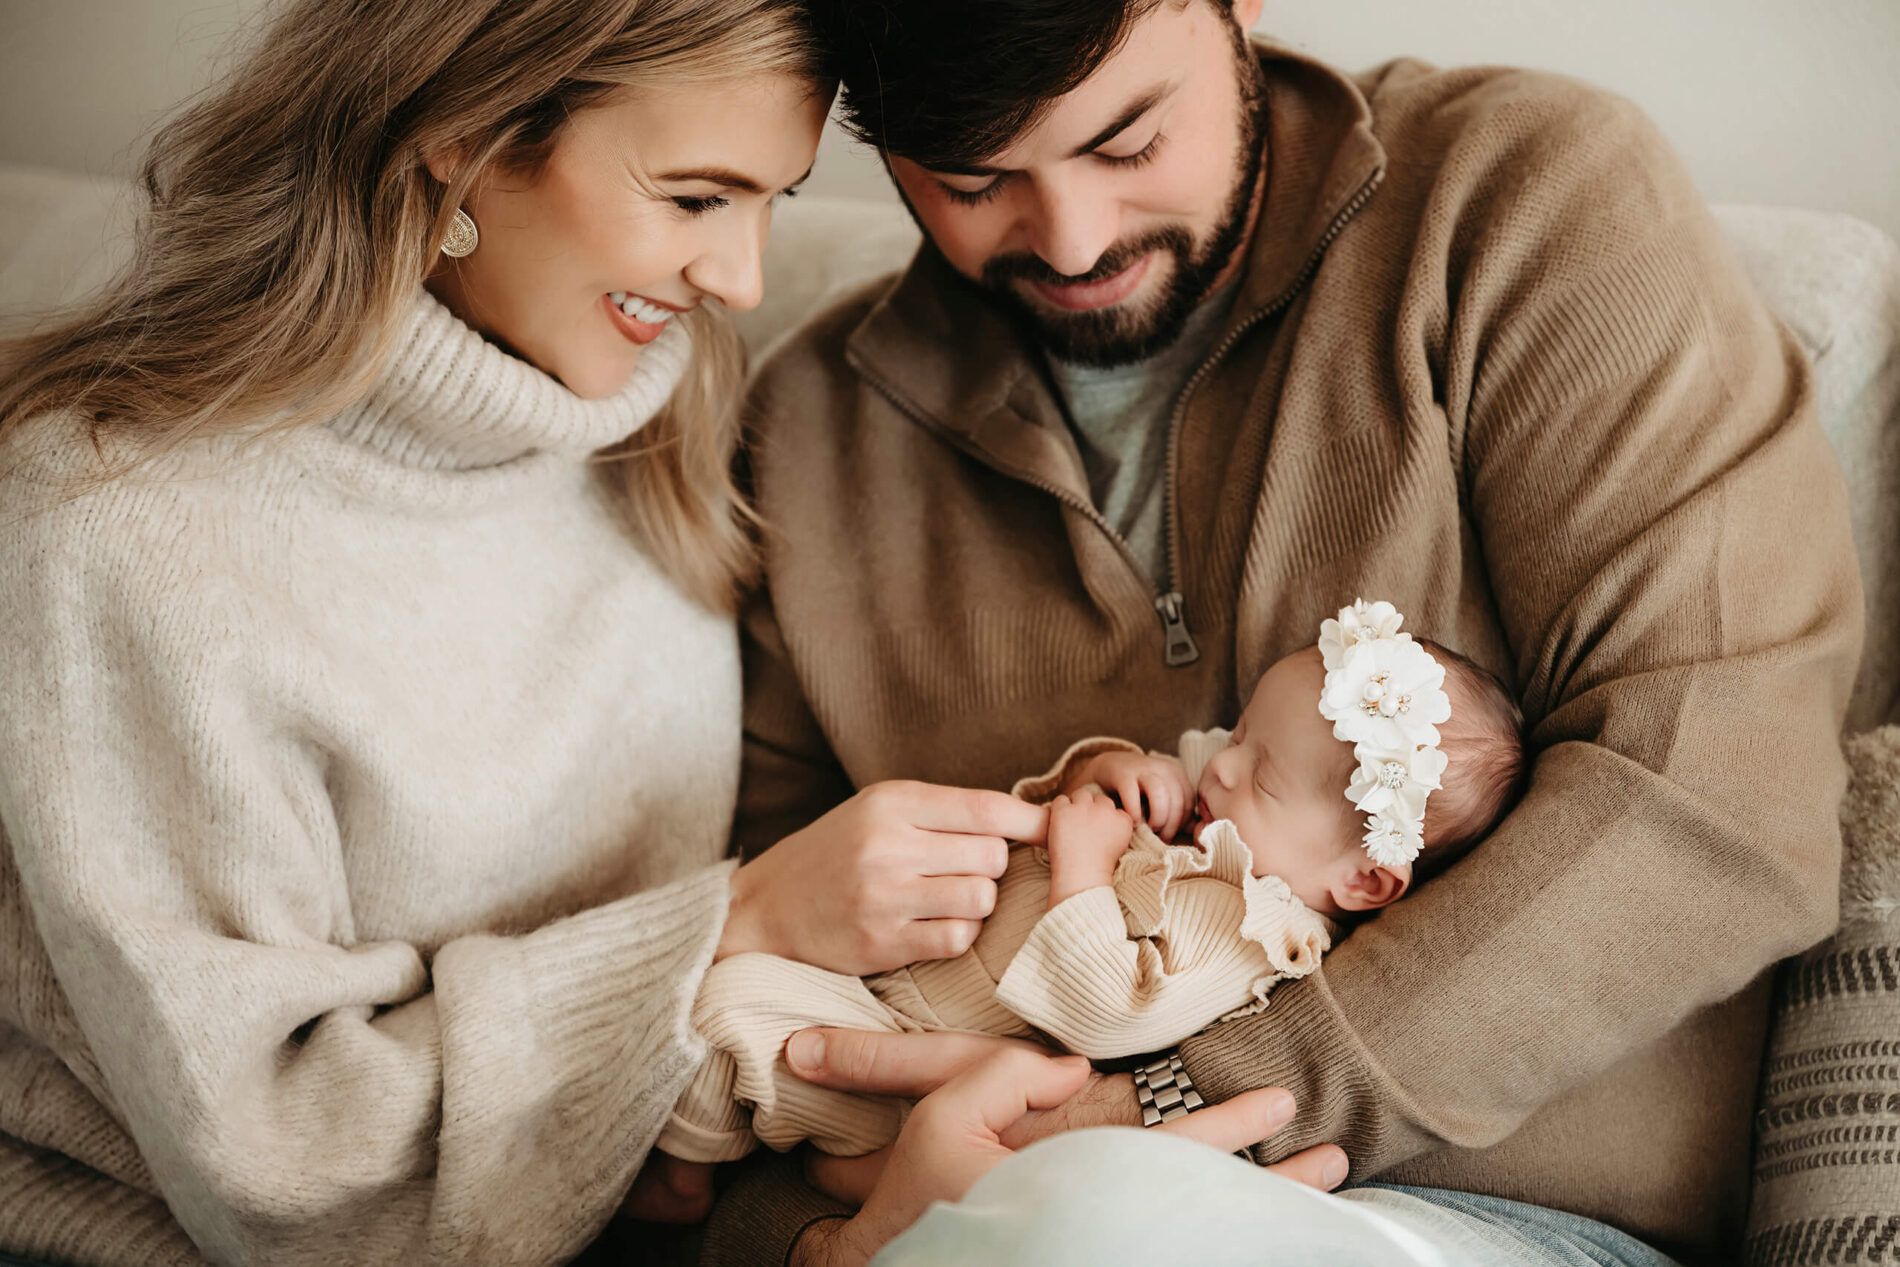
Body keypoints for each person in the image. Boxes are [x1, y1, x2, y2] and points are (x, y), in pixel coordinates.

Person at [5, 2, 1285, 1263]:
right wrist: (732, 924)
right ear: (462, 135)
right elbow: (270, 1169)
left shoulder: (665, 442)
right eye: (693, 200)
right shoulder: (115, 528)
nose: (741, 278)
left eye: (771, 200)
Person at [694, 0, 1866, 1262]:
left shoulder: (1520, 197)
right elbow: (754, 1051)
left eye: (1126, 140)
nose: (1072, 240)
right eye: (974, 179)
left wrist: (1145, 1113)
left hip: (1502, 1216)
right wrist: (825, 1242)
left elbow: (1722, 797)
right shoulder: (811, 431)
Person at [647, 603, 1525, 1195]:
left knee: (723, 1013)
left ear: (1362, 879)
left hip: (920, 1056)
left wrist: (1077, 867)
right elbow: (1084, 805)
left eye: (1263, 771)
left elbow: (1114, 1012)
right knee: (712, 967)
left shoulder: (1253, 927)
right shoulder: (1219, 812)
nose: (1219, 760)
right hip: (896, 970)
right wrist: (1103, 774)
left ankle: (682, 1173)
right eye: (1243, 728)